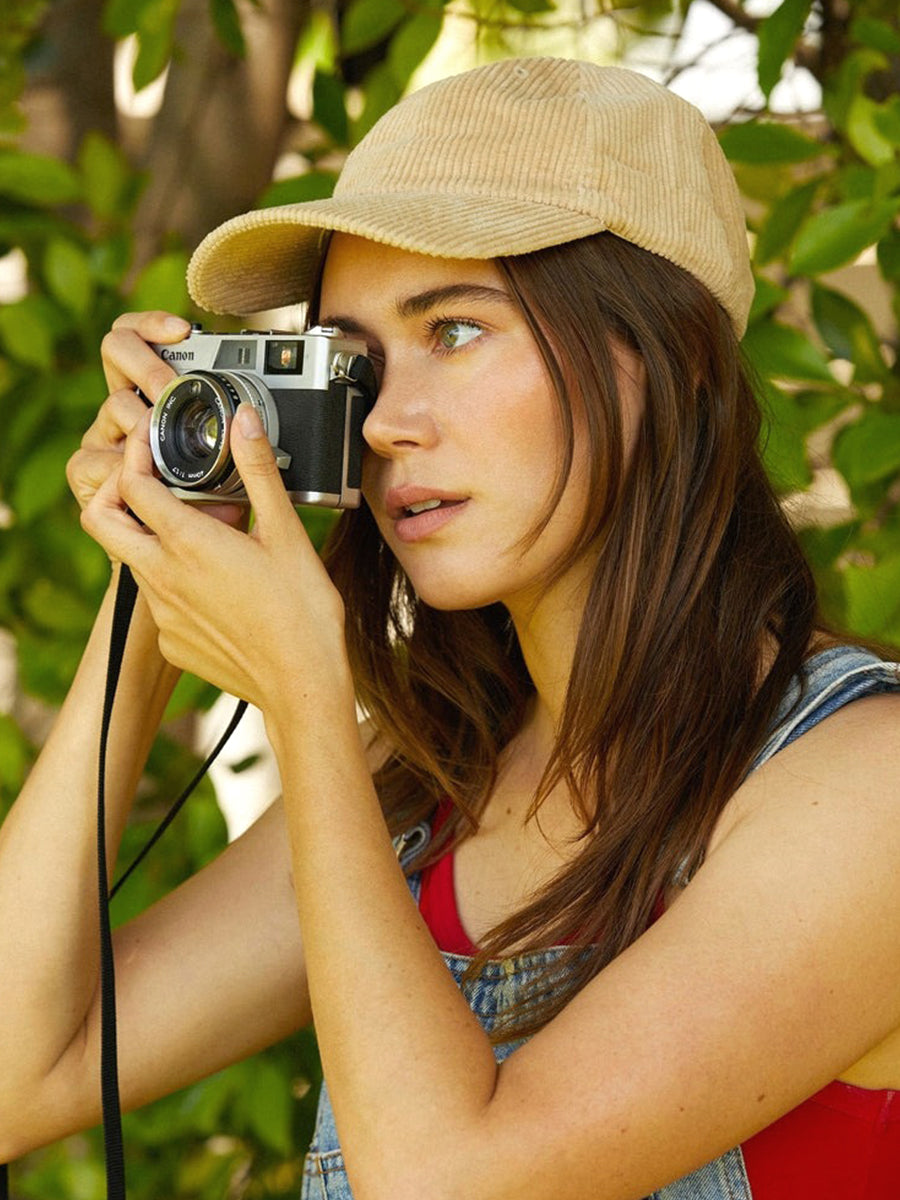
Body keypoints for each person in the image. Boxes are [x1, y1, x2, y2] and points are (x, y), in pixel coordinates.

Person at [1, 55, 899, 1200]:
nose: (388, 424)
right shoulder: (439, 773)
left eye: (458, 332)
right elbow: (18, 1075)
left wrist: (309, 704)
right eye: (358, 364)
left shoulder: (863, 787)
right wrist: (155, 551)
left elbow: (445, 1179)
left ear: (665, 357)